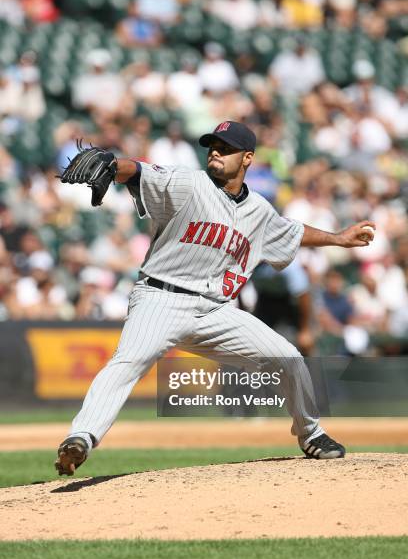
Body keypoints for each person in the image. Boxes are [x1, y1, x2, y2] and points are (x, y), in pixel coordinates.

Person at [55, 121, 376, 475]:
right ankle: (82, 437)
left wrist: (339, 239)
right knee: (127, 363)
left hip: (214, 311)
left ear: (248, 158)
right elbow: (141, 172)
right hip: (160, 299)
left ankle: (310, 432)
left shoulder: (259, 211)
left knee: (289, 358)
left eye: (226, 147)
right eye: (213, 146)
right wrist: (115, 166)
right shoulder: (189, 183)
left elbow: (292, 232)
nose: (216, 152)